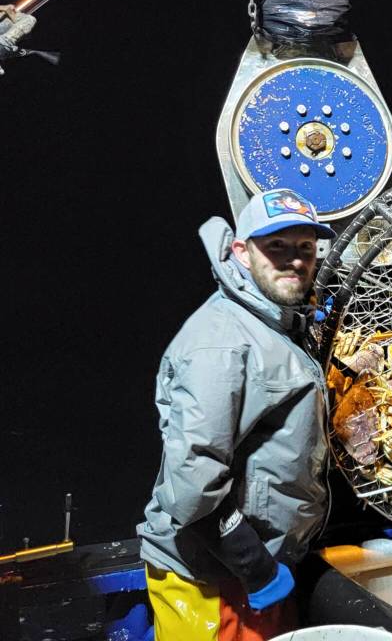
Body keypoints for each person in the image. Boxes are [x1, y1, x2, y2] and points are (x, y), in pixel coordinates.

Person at [137, 188, 335, 641]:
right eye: (276, 247)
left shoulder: (275, 322)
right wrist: (256, 568)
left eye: (305, 248)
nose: (294, 261)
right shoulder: (221, 340)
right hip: (214, 577)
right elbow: (192, 483)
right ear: (242, 253)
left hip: (259, 569)